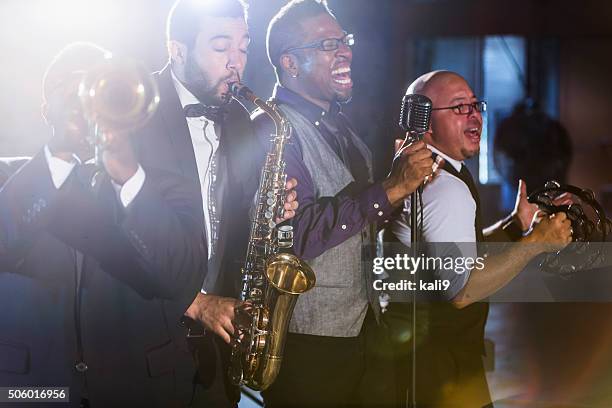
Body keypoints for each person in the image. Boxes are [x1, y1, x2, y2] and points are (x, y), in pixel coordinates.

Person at [0, 42, 205, 407]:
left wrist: (125, 171)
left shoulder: (164, 185)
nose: (85, 101)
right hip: (36, 393)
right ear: (48, 110)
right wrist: (61, 151)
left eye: (97, 87)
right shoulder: (10, 179)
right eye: (70, 88)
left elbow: (182, 279)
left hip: (140, 392)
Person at [253, 1, 435, 406]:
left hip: (365, 327)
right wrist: (389, 188)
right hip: (309, 342)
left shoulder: (340, 125)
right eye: (328, 43)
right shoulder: (272, 129)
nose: (346, 51)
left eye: (345, 40)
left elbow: (359, 220)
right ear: (291, 63)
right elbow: (292, 236)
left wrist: (401, 190)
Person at [133, 1, 298, 406]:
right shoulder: (134, 109)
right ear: (178, 50)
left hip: (215, 343)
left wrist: (271, 211)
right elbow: (113, 222)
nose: (236, 63)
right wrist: (195, 301)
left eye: (243, 47)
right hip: (143, 338)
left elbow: (233, 222)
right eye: (221, 47)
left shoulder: (240, 120)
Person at [388, 70, 573, 407]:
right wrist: (537, 243)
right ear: (426, 123)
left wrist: (516, 225)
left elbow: (453, 254)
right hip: (437, 369)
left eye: (475, 105)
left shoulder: (436, 171)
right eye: (459, 107)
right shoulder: (444, 189)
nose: (474, 115)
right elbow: (462, 290)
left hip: (438, 360)